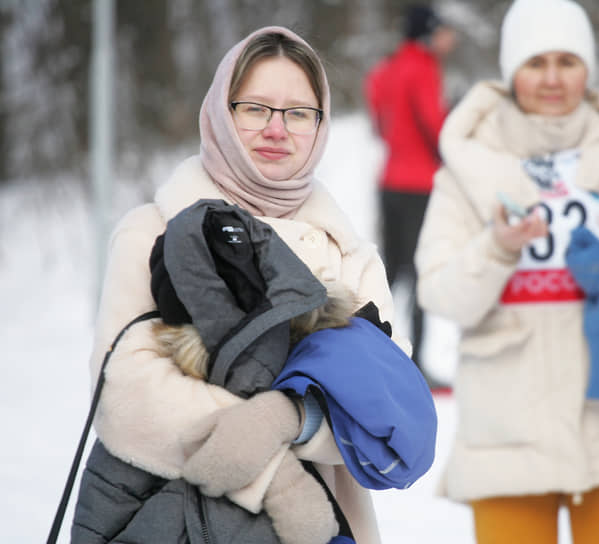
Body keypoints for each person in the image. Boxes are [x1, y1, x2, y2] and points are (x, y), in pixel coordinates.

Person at [82, 26, 416, 544]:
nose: (276, 129)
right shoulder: (153, 229)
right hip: (178, 522)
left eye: (299, 113)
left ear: (320, 125)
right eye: (255, 108)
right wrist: (276, 479)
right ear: (221, 111)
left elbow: (387, 411)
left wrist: (291, 420)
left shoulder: (349, 257)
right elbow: (124, 393)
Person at [414, 1, 599, 543]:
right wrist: (498, 249)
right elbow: (440, 294)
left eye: (568, 61)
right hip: (507, 441)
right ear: (511, 71)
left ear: (588, 68)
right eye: (535, 63)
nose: (552, 79)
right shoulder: (467, 166)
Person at [364, 4, 457, 388]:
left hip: (390, 179)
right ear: (428, 33)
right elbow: (433, 123)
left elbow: (379, 120)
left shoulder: (386, 68)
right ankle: (416, 362)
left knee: (388, 272)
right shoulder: (423, 66)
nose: (450, 38)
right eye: (444, 31)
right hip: (419, 183)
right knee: (419, 273)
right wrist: (449, 147)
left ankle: (372, 352)